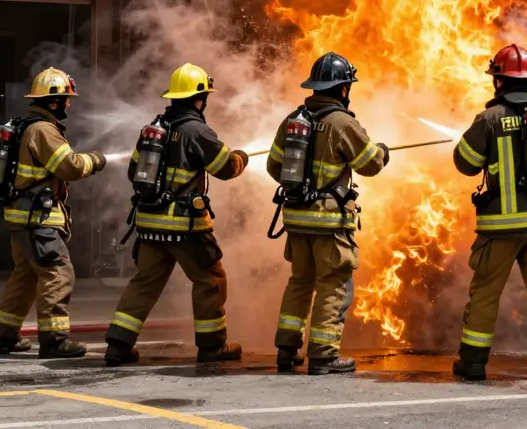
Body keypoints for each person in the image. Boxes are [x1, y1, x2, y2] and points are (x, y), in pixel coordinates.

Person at [104, 63, 248, 366]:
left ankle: (118, 345)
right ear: (199, 100)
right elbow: (226, 168)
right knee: (210, 279)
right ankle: (212, 347)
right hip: (184, 226)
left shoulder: (152, 130)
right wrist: (241, 158)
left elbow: (134, 171)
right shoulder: (197, 130)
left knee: (145, 282)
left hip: (148, 224)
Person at [452, 44, 527, 382]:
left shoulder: (489, 118)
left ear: (499, 81)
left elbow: (465, 163)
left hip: (501, 228)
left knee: (486, 292)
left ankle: (473, 363)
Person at [267, 52, 388, 376]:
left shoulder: (294, 120)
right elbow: (371, 164)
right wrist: (383, 152)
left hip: (296, 221)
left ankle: (287, 349)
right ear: (343, 89)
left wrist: (303, 188)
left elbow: (273, 165)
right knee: (333, 284)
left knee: (300, 282)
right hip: (329, 224)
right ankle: (322, 354)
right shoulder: (342, 123)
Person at [0, 68, 106, 358]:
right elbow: (68, 166)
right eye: (65, 99)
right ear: (54, 101)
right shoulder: (44, 130)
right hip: (38, 220)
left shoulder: (25, 125)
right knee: (58, 273)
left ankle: (4, 335)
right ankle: (54, 340)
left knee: (25, 277)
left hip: (21, 217)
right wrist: (94, 161)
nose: (69, 104)